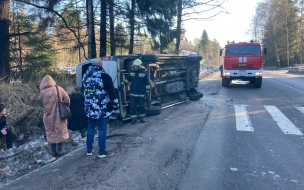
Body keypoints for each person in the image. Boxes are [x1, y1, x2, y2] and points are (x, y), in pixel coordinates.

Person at [82, 59, 119, 158]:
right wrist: (116, 105)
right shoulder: (104, 76)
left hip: (90, 108)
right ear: (101, 66)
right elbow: (112, 92)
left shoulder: (85, 76)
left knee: (90, 128)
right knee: (102, 129)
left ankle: (89, 150)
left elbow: (86, 90)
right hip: (103, 108)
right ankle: (102, 151)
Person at [38, 75, 70, 162]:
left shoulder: (43, 93)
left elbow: (39, 99)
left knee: (50, 132)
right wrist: (65, 105)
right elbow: (67, 98)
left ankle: (53, 152)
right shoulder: (58, 89)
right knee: (60, 131)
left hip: (48, 116)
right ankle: (60, 150)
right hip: (60, 114)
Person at [120, 58, 150, 124]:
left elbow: (147, 83)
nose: (135, 67)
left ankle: (142, 118)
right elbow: (128, 79)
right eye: (135, 66)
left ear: (139, 66)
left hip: (141, 93)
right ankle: (134, 119)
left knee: (141, 106)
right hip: (133, 93)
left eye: (137, 66)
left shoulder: (144, 74)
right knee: (132, 107)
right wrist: (122, 84)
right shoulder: (132, 73)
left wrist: (147, 91)